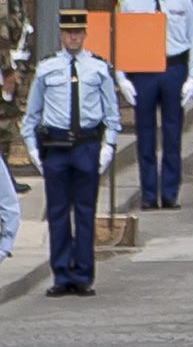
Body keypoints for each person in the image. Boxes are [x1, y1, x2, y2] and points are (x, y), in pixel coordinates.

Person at [25, 17, 122, 295]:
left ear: (85, 34)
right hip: (56, 147)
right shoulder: (47, 68)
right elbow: (31, 116)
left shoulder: (98, 68)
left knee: (84, 211)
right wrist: (33, 152)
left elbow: (112, 115)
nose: (73, 38)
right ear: (61, 34)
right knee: (57, 213)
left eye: (78, 32)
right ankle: (61, 275)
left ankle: (82, 275)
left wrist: (108, 148)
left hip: (86, 146)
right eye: (69, 33)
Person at [109, 0, 193, 213]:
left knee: (173, 134)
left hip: (173, 68)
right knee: (146, 135)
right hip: (143, 71)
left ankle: (171, 192)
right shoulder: (131, 3)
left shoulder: (182, 1)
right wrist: (122, 78)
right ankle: (149, 194)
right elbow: (122, 42)